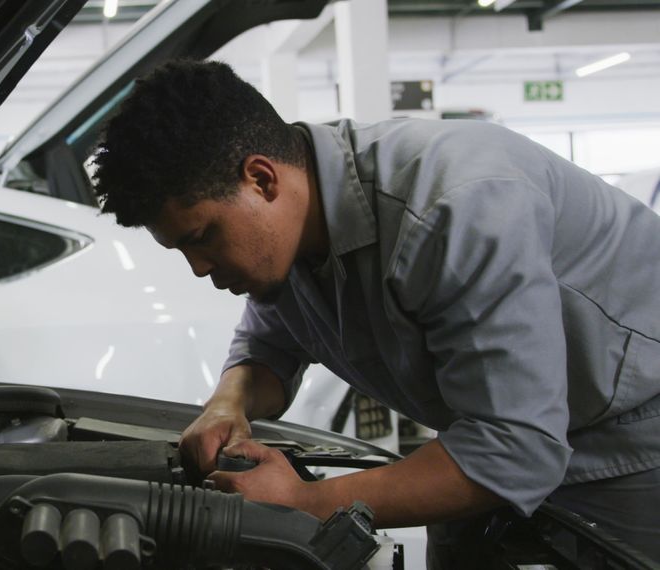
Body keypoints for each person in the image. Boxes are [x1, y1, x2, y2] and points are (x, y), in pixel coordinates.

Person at [90, 59, 660, 564]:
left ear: (261, 178)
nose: (199, 267)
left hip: (631, 443)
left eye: (203, 237)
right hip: (484, 439)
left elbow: (517, 450)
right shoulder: (286, 237)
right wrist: (227, 404)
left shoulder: (453, 207)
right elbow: (268, 348)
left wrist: (308, 502)